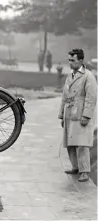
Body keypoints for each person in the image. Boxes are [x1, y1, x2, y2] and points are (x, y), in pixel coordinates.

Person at [58, 49, 97, 182]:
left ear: (80, 60)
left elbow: (91, 98)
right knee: (70, 143)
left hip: (80, 114)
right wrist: (61, 114)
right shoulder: (70, 75)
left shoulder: (88, 76)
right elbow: (64, 95)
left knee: (82, 144)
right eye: (69, 60)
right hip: (69, 114)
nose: (70, 63)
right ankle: (75, 167)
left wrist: (86, 115)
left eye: (73, 60)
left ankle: (85, 171)